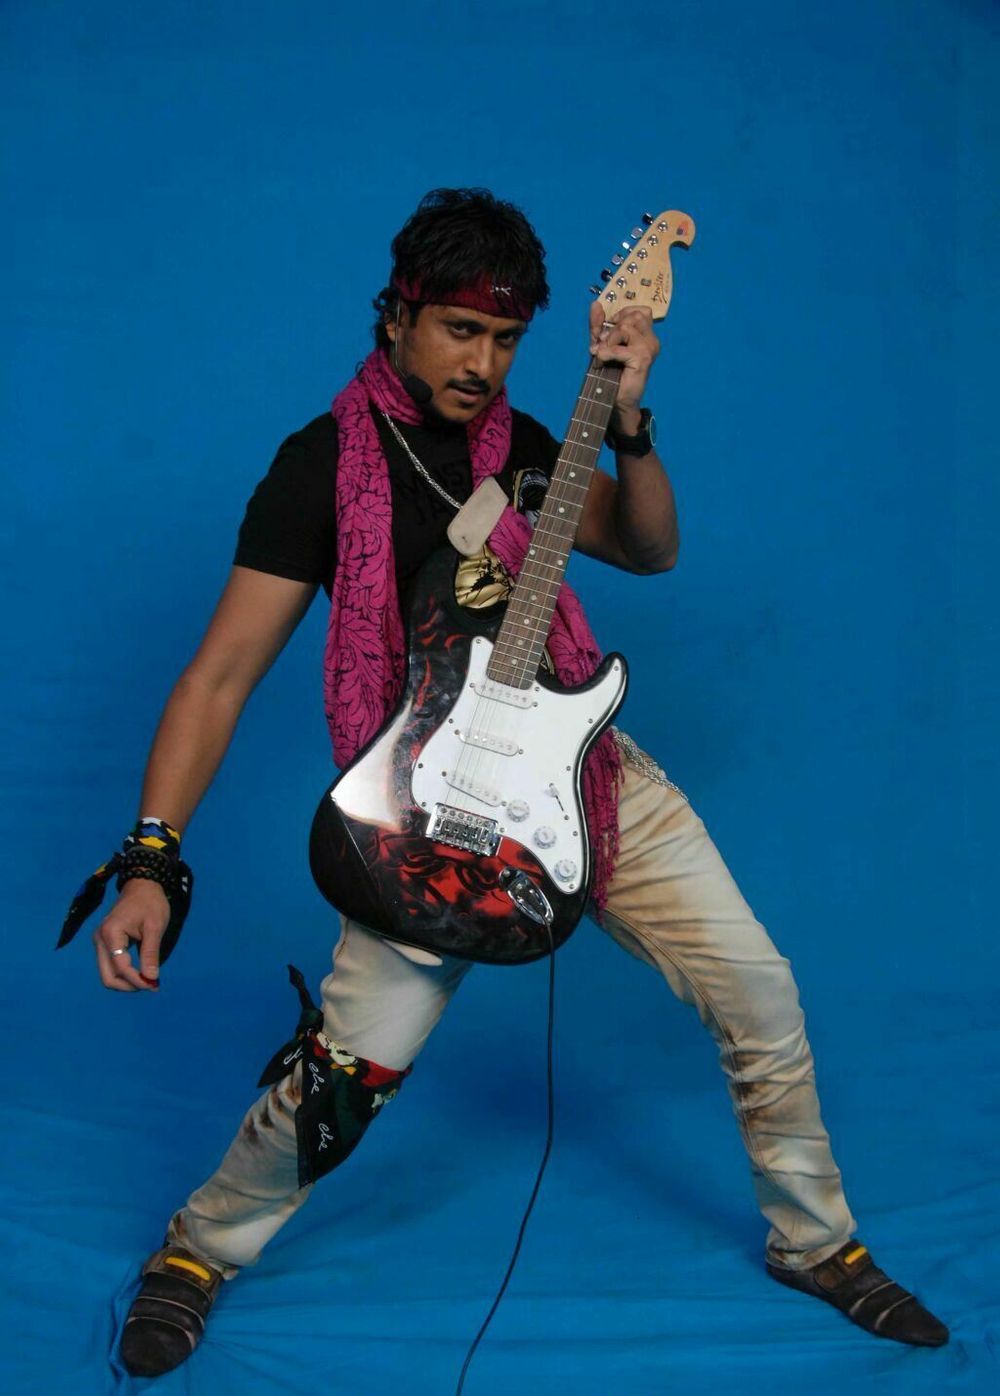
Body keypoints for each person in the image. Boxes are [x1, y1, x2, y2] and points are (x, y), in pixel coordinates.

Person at [74, 189, 947, 1377]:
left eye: (504, 339)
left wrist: (627, 423)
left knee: (760, 993)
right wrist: (151, 856)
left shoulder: (529, 444)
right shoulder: (322, 468)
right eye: (457, 330)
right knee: (346, 1078)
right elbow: (219, 676)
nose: (481, 365)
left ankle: (815, 1241)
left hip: (579, 776)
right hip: (425, 810)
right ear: (396, 317)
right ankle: (197, 1251)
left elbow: (647, 548)